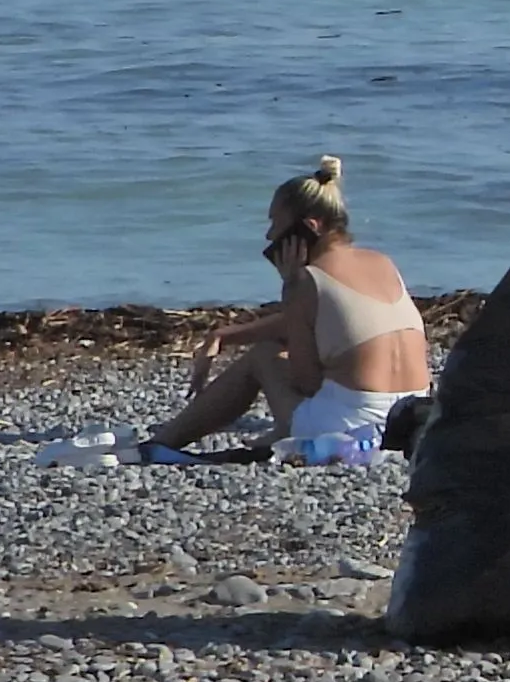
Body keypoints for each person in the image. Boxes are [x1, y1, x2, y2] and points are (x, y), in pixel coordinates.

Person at [146, 157, 431, 465]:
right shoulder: (382, 262)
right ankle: (269, 435)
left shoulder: (308, 282)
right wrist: (225, 336)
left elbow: (305, 382)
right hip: (409, 415)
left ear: (309, 227)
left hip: (349, 425)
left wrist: (290, 288)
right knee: (305, 361)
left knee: (263, 356)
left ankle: (162, 443)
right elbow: (339, 328)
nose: (270, 237)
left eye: (276, 224)